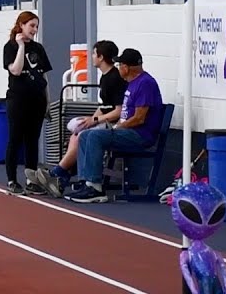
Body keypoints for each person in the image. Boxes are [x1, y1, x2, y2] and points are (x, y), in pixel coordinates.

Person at [66, 48, 164, 204]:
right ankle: (87, 182)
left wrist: (117, 128)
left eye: (119, 65)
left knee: (96, 136)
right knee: (85, 135)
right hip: (128, 131)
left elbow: (139, 118)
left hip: (139, 135)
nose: (118, 68)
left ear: (126, 67)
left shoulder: (145, 83)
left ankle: (96, 189)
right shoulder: (132, 83)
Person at [33, 40, 125, 197]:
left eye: (94, 54)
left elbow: (118, 111)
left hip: (115, 126)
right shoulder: (104, 78)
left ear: (101, 57)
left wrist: (95, 121)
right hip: (105, 121)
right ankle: (63, 176)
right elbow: (104, 107)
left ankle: (58, 173)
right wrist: (88, 120)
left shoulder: (114, 79)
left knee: (81, 136)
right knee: (76, 132)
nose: (92, 57)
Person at [2, 11, 50, 195]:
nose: (34, 30)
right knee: (15, 139)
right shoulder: (10, 47)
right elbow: (15, 70)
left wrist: (47, 100)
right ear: (21, 25)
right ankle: (12, 180)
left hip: (37, 100)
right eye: (31, 26)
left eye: (36, 26)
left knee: (32, 140)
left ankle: (32, 180)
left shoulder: (39, 48)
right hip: (18, 100)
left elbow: (44, 75)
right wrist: (21, 45)